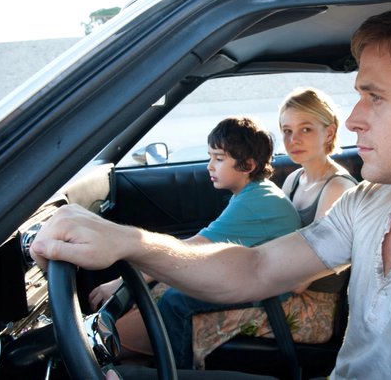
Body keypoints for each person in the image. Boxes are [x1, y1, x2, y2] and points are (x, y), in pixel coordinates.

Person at [31, 6, 391, 379]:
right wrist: (131, 242)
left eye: (374, 97)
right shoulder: (372, 204)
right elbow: (256, 269)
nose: (354, 119)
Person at [88, 116, 301, 369]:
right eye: (210, 157)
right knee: (168, 286)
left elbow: (188, 249)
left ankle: (178, 369)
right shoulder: (253, 192)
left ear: (248, 165)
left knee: (174, 300)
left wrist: (119, 283)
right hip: (256, 276)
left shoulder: (255, 202)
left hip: (270, 291)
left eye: (219, 159)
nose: (209, 166)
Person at [190, 88, 358, 367]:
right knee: (181, 291)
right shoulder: (295, 179)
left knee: (188, 313)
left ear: (329, 133)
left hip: (312, 306)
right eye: (287, 131)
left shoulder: (337, 188)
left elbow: (302, 279)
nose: (293, 140)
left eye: (306, 129)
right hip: (278, 285)